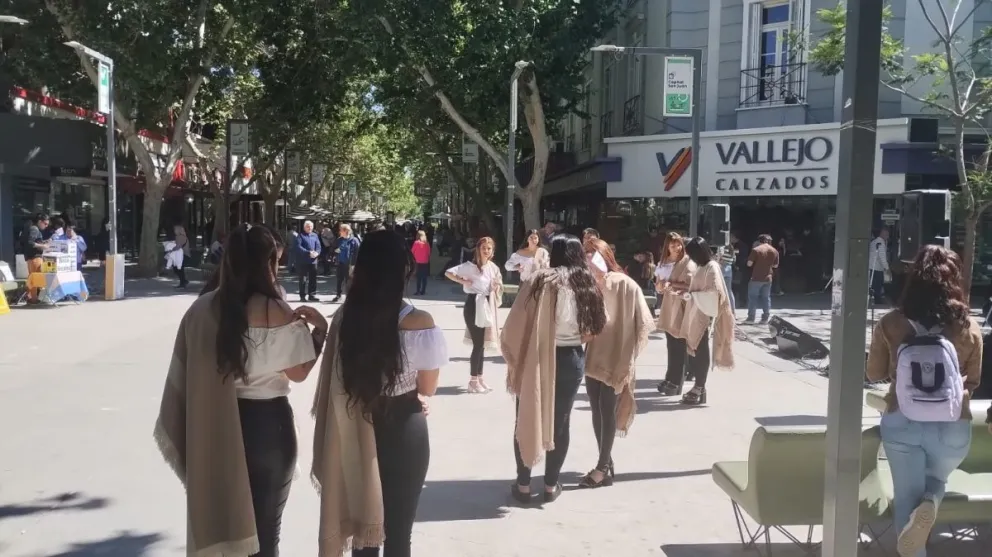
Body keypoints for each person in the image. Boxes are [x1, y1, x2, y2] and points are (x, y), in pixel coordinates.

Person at [154, 224, 328, 557]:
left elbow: (186, 374)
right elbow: (299, 372)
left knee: (229, 535)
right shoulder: (275, 309)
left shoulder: (203, 309)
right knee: (265, 536)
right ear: (268, 264)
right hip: (269, 427)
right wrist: (319, 332)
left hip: (219, 427)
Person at [311, 230, 448, 557]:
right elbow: (427, 388)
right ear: (403, 268)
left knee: (363, 534)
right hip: (403, 427)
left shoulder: (346, 317)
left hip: (356, 426)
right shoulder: (418, 321)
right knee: (399, 536)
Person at [865, 245, 982, 557]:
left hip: (902, 419)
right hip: (954, 423)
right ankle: (932, 498)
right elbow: (973, 380)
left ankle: (918, 541)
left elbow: (873, 372)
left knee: (906, 496)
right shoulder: (968, 326)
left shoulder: (891, 322)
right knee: (937, 479)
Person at [501, 234, 607, 503]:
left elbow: (515, 324)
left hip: (536, 357)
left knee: (526, 414)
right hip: (571, 358)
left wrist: (517, 353)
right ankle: (550, 485)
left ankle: (523, 484)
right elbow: (595, 328)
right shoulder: (587, 283)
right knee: (561, 421)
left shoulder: (540, 281)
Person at [580, 239, 653, 489]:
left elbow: (644, 321)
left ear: (604, 255)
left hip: (616, 354)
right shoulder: (587, 283)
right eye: (585, 253)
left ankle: (601, 468)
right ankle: (606, 461)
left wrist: (629, 353)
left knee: (607, 408)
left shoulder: (624, 283)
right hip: (593, 353)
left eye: (592, 252)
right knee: (596, 408)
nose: (588, 257)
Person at [673, 237, 736, 405]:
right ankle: (699, 386)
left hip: (703, 316)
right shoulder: (703, 266)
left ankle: (699, 387)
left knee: (700, 352)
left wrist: (689, 295)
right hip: (696, 313)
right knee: (695, 350)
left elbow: (713, 294)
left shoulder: (712, 267)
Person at [446, 237, 502, 393]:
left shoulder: (492, 267)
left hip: (486, 304)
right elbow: (449, 272)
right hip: (473, 304)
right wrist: (463, 281)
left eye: (489, 249)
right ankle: (473, 380)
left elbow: (498, 284)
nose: (486, 251)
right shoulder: (469, 266)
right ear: (478, 249)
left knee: (482, 344)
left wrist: (496, 287)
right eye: (484, 248)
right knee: (478, 344)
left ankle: (480, 377)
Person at [655, 233, 697, 395]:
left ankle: (676, 381)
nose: (676, 247)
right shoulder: (663, 262)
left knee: (679, 344)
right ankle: (670, 377)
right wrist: (661, 286)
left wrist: (671, 284)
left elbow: (691, 284)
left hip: (682, 305)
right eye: (672, 245)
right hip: (668, 304)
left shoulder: (687, 262)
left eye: (678, 244)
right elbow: (658, 285)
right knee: (671, 343)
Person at [746, 234, 779, 323]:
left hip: (756, 277)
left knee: (753, 298)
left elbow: (749, 264)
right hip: (768, 278)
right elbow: (775, 265)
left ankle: (751, 318)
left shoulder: (756, 250)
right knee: (766, 298)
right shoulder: (774, 251)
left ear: (759, 241)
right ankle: (765, 318)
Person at [21, 214, 49, 304]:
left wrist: (43, 242)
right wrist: (43, 246)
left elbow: (32, 242)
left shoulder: (32, 228)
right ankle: (34, 299)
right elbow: (30, 242)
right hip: (35, 257)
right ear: (40, 221)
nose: (46, 226)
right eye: (45, 224)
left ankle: (31, 298)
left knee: (32, 277)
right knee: (35, 278)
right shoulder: (35, 229)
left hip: (31, 257)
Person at [332, 224, 361, 303]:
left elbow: (358, 252)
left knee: (349, 281)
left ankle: (349, 296)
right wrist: (335, 251)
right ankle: (338, 295)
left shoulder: (354, 240)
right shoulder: (339, 240)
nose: (339, 232)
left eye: (341, 230)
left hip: (350, 264)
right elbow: (333, 249)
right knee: (339, 279)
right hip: (340, 262)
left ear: (346, 231)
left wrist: (355, 264)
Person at [296, 220, 321, 302]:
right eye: (307, 226)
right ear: (304, 227)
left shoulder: (315, 235)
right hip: (303, 261)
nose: (309, 228)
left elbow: (318, 246)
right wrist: (308, 252)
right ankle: (302, 296)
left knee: (313, 279)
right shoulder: (300, 236)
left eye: (310, 226)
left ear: (313, 227)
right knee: (303, 279)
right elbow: (298, 247)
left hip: (313, 261)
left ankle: (312, 295)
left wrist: (317, 253)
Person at [870, 227, 892, 304]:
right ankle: (877, 300)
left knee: (874, 284)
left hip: (872, 266)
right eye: (886, 235)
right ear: (882, 234)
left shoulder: (874, 242)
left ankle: (875, 298)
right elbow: (882, 257)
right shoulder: (881, 243)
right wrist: (887, 268)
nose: (887, 237)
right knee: (878, 284)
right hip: (877, 267)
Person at [716, 236, 738, 314]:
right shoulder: (732, 248)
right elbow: (734, 260)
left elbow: (720, 256)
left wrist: (716, 260)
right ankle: (732, 311)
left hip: (722, 267)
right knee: (729, 291)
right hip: (729, 268)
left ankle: (720, 311)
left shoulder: (722, 246)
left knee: (717, 289)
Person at [168, 219, 191, 289]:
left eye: (175, 229)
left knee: (178, 268)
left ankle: (183, 282)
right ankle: (183, 281)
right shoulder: (179, 237)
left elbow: (178, 246)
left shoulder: (182, 237)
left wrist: (171, 250)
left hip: (184, 256)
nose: (174, 230)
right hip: (181, 256)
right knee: (177, 268)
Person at [411, 230, 431, 295]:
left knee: (419, 277)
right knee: (424, 277)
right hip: (425, 262)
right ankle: (423, 291)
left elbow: (412, 252)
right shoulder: (427, 243)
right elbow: (429, 253)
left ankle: (418, 291)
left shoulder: (416, 243)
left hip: (418, 262)